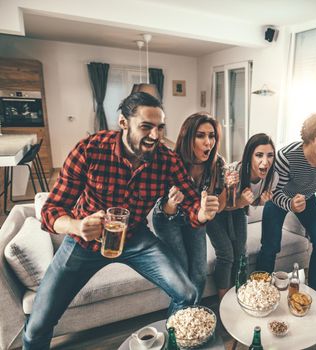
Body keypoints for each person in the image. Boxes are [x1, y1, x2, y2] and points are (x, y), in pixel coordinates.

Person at [22, 92, 219, 350]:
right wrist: (76, 226)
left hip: (136, 238)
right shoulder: (90, 149)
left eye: (160, 128)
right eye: (145, 127)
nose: (155, 136)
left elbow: (193, 203)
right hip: (83, 242)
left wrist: (202, 213)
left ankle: (174, 344)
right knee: (38, 324)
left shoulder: (166, 160)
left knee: (188, 293)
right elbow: (51, 210)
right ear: (123, 122)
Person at [255, 111, 316, 306]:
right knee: (270, 246)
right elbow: (273, 190)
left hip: (307, 198)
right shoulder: (286, 156)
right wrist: (290, 204)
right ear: (310, 138)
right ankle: (261, 290)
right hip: (279, 198)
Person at [152, 112, 225, 303]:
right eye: (200, 135)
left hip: (196, 220)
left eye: (212, 136)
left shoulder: (217, 164)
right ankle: (179, 324)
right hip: (169, 219)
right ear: (187, 137)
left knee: (199, 275)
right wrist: (171, 203)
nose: (208, 142)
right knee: (182, 273)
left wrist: (212, 206)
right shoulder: (170, 162)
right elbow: (162, 209)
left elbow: (220, 203)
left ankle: (192, 318)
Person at [206, 133, 278, 300]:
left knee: (241, 253)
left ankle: (241, 294)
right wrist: (241, 202)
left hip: (238, 209)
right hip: (215, 211)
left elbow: (252, 202)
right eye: (259, 155)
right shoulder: (234, 172)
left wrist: (260, 202)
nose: (265, 161)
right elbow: (222, 207)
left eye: (270, 155)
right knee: (226, 254)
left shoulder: (272, 176)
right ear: (249, 156)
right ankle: (224, 300)